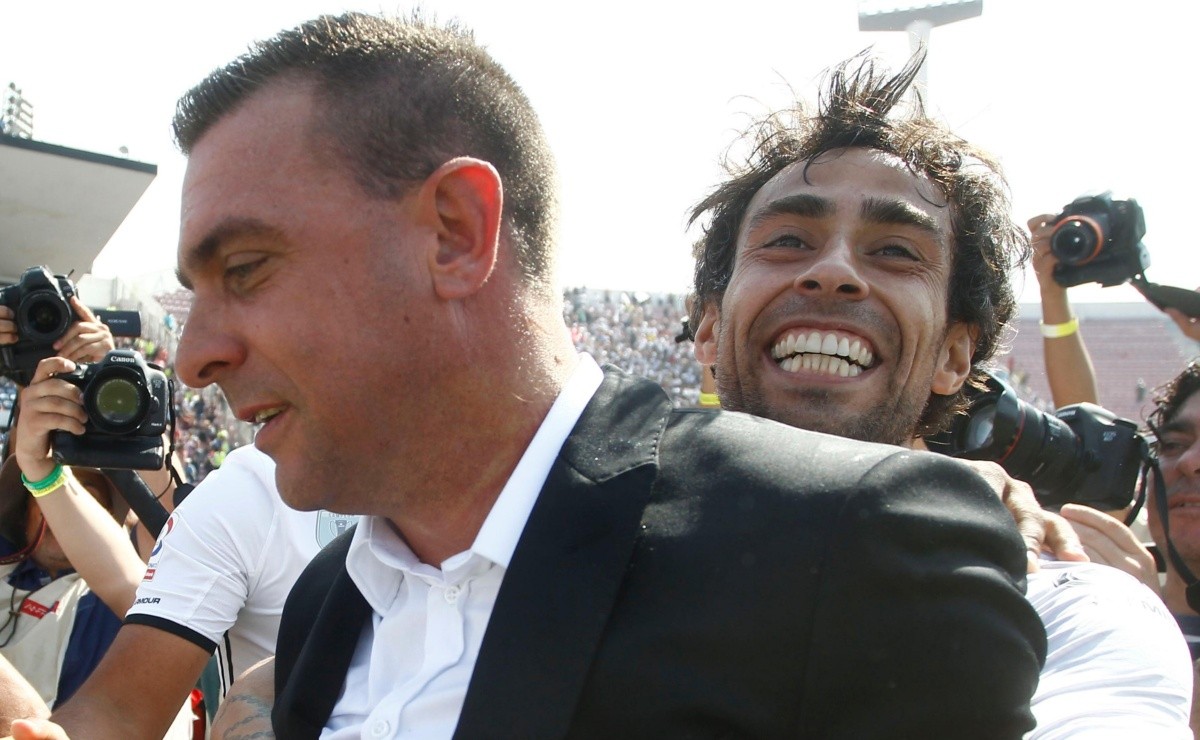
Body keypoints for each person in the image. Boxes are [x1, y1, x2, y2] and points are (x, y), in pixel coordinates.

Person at [23, 13, 1045, 740]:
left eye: (244, 270)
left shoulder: (860, 544)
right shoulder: (329, 604)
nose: (194, 351)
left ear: (459, 234)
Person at [688, 54, 1192, 736]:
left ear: (956, 355)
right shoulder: (579, 561)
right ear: (710, 329)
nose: (834, 272)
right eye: (786, 240)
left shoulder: (1068, 610)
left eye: (895, 251)